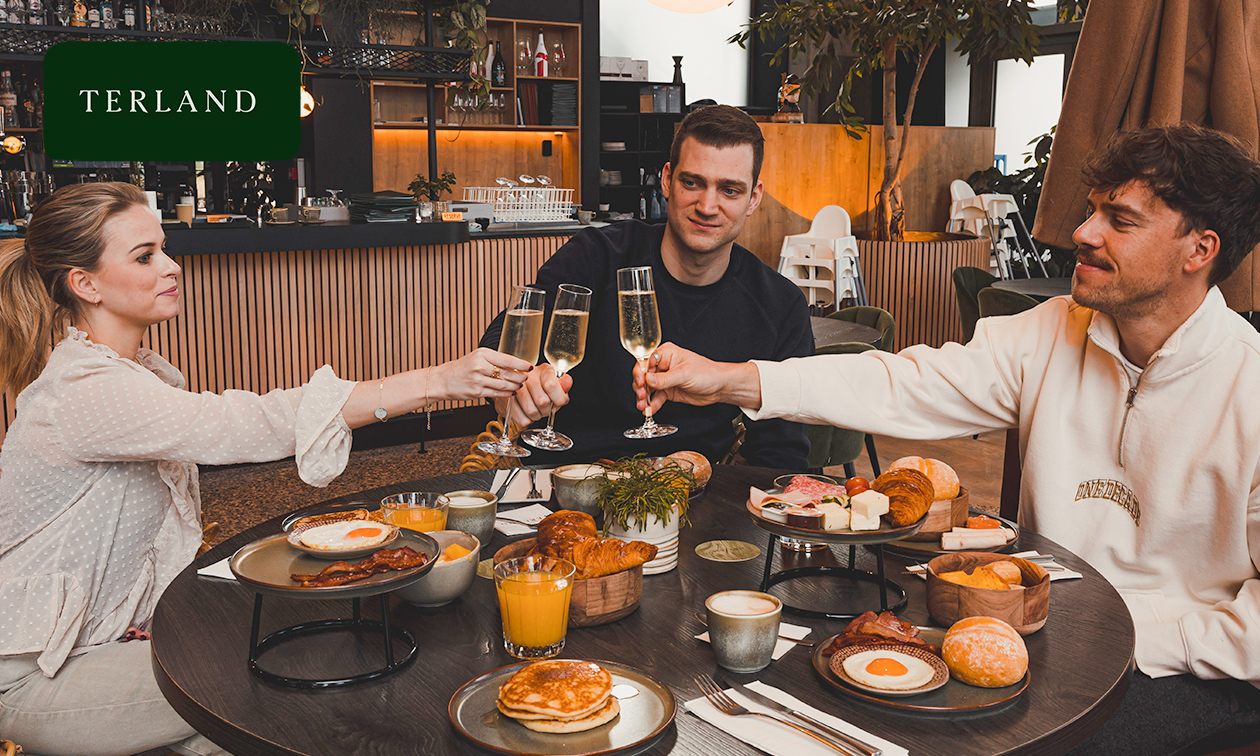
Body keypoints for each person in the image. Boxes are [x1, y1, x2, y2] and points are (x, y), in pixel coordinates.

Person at [637, 124, 1260, 754]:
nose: (1083, 232)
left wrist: (1152, 642)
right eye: (1093, 208)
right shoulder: (1052, 330)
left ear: (1199, 249)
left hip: (1183, 670)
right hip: (1026, 629)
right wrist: (731, 380)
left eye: (1119, 220)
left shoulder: (1251, 386)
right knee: (840, 687)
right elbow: (903, 384)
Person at [0, 182, 531, 756]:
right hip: (39, 679)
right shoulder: (84, 390)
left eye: (163, 248)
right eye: (145, 256)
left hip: (106, 643)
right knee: (281, 673)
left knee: (298, 665)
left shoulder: (133, 377)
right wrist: (436, 381)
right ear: (85, 284)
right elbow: (245, 423)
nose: (171, 267)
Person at [479, 104, 813, 469]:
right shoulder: (599, 255)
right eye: (692, 182)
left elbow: (780, 453)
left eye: (729, 190)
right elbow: (504, 338)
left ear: (753, 198)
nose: (707, 205)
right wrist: (514, 383)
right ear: (667, 180)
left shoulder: (780, 304)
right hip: (568, 480)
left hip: (690, 496)